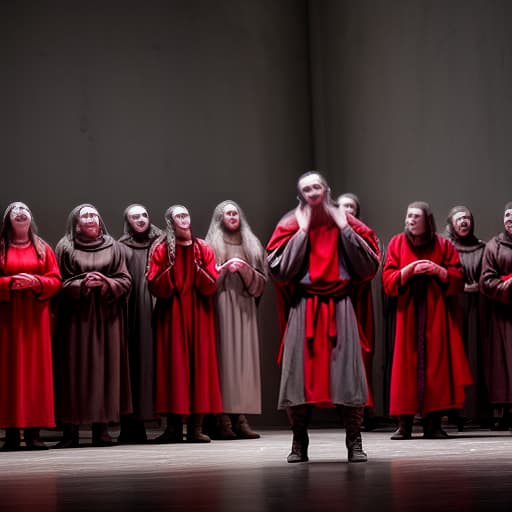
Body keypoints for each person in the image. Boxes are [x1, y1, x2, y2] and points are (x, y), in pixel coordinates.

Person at [267, 171, 380, 463]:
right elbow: (280, 271)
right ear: (300, 195)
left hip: (340, 306)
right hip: (304, 307)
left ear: (326, 189)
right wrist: (302, 233)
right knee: (298, 377)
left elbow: (368, 268)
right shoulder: (290, 224)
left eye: (317, 186)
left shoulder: (346, 221)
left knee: (348, 375)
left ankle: (354, 442)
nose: (313, 192)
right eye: (306, 189)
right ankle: (298, 442)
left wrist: (344, 229)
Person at [382, 201, 472, 440]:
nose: (410, 220)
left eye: (415, 216)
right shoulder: (396, 243)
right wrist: (408, 270)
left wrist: (438, 270)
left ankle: (434, 424)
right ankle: (405, 424)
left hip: (436, 314)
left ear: (427, 221)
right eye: (408, 215)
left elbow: (457, 278)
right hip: (408, 313)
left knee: (437, 367)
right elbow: (388, 280)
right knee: (405, 367)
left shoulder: (443, 245)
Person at [53, 204, 132, 448]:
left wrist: (105, 281)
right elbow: (58, 283)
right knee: (73, 372)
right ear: (76, 222)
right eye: (85, 215)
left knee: (106, 371)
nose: (90, 218)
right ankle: (70, 431)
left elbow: (125, 280)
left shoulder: (115, 247)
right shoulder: (65, 247)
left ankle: (102, 430)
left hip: (107, 318)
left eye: (94, 215)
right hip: (76, 319)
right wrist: (81, 284)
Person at [147, 205, 223, 443]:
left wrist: (200, 271)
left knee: (200, 368)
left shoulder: (203, 248)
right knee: (173, 368)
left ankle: (195, 428)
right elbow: (154, 285)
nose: (184, 219)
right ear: (170, 221)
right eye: (179, 216)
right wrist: (169, 271)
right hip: (172, 316)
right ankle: (172, 428)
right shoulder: (161, 250)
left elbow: (212, 284)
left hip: (200, 315)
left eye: (186, 215)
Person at [0, 202, 61, 450]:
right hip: (7, 320)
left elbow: (56, 280)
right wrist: (8, 283)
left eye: (24, 209)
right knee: (8, 374)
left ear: (30, 217)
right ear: (7, 220)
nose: (20, 212)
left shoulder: (42, 248)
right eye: (14, 209)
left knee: (37, 374)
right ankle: (12, 434)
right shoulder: (1, 247)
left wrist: (37, 282)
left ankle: (34, 433)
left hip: (36, 320)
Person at [205, 200, 266, 440]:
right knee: (224, 362)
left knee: (244, 364)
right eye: (228, 213)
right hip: (220, 307)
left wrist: (245, 270)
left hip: (244, 307)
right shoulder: (210, 245)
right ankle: (221, 418)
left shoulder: (252, 244)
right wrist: (223, 269)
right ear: (220, 218)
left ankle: (240, 417)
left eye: (236, 213)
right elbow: (204, 281)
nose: (233, 217)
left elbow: (261, 282)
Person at [118, 204, 162, 444]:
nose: (142, 219)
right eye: (135, 217)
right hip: (132, 310)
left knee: (155, 364)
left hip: (158, 310)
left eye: (145, 214)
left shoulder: (162, 243)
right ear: (128, 221)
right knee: (133, 365)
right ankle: (131, 425)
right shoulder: (121, 247)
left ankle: (161, 421)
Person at [445, 206, 488, 429]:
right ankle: (455, 411)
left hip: (479, 308)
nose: (464, 222)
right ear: (451, 223)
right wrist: (462, 287)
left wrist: (479, 286)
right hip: (455, 308)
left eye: (467, 219)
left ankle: (477, 411)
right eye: (459, 219)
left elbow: (490, 273)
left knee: (477, 356)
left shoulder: (483, 248)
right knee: (456, 357)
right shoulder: (446, 248)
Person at [480, 202, 512, 430]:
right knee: (504, 362)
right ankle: (503, 413)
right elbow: (486, 281)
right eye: (507, 215)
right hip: (504, 313)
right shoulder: (494, 246)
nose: (510, 218)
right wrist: (508, 285)